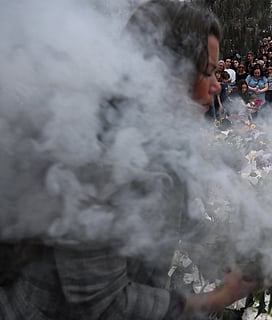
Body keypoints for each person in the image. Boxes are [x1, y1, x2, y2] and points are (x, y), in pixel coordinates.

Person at [0, 1, 257, 319]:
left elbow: (177, 219)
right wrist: (215, 300)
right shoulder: (97, 156)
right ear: (168, 74)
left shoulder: (158, 136)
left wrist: (237, 254)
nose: (217, 87)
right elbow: (105, 305)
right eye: (207, 72)